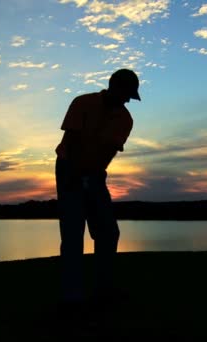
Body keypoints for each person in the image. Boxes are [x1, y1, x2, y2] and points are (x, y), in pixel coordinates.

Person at [55, 69, 140, 308]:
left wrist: (90, 176)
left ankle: (104, 288)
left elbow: (108, 153)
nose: (127, 100)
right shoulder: (83, 102)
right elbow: (70, 142)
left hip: (94, 173)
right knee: (73, 233)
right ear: (114, 87)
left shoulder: (125, 120)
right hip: (67, 167)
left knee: (108, 232)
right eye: (126, 94)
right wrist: (74, 175)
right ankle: (71, 294)